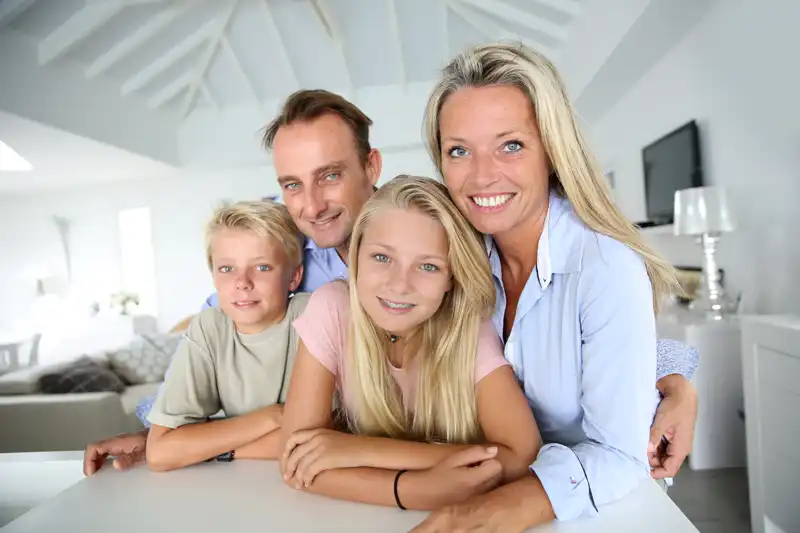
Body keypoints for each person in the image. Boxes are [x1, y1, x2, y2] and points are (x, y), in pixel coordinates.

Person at [83, 89, 698, 480]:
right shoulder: (286, 268)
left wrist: (672, 382)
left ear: (370, 167)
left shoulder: (446, 228)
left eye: (329, 176)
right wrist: (161, 434)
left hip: (513, 467)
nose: (312, 205)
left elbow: (555, 322)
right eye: (291, 184)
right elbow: (222, 362)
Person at [409, 42, 695, 532]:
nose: (481, 175)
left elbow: (618, 456)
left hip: (604, 510)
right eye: (459, 150)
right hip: (485, 485)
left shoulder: (604, 265)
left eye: (511, 145)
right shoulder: (453, 256)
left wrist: (487, 513)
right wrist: (677, 373)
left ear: (551, 151)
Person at [278, 175, 541, 509]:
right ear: (356, 256)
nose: (399, 285)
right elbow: (296, 460)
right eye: (382, 258)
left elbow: (521, 456)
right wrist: (413, 490)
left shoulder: (467, 326)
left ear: (451, 277)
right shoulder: (332, 308)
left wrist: (358, 450)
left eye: (428, 266)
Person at [144, 200, 310, 471]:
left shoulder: (313, 315)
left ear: (294, 277)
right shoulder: (209, 327)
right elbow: (161, 452)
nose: (242, 282)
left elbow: (325, 436)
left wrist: (212, 447)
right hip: (242, 483)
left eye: (262, 267)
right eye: (226, 268)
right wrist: (272, 417)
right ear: (213, 277)